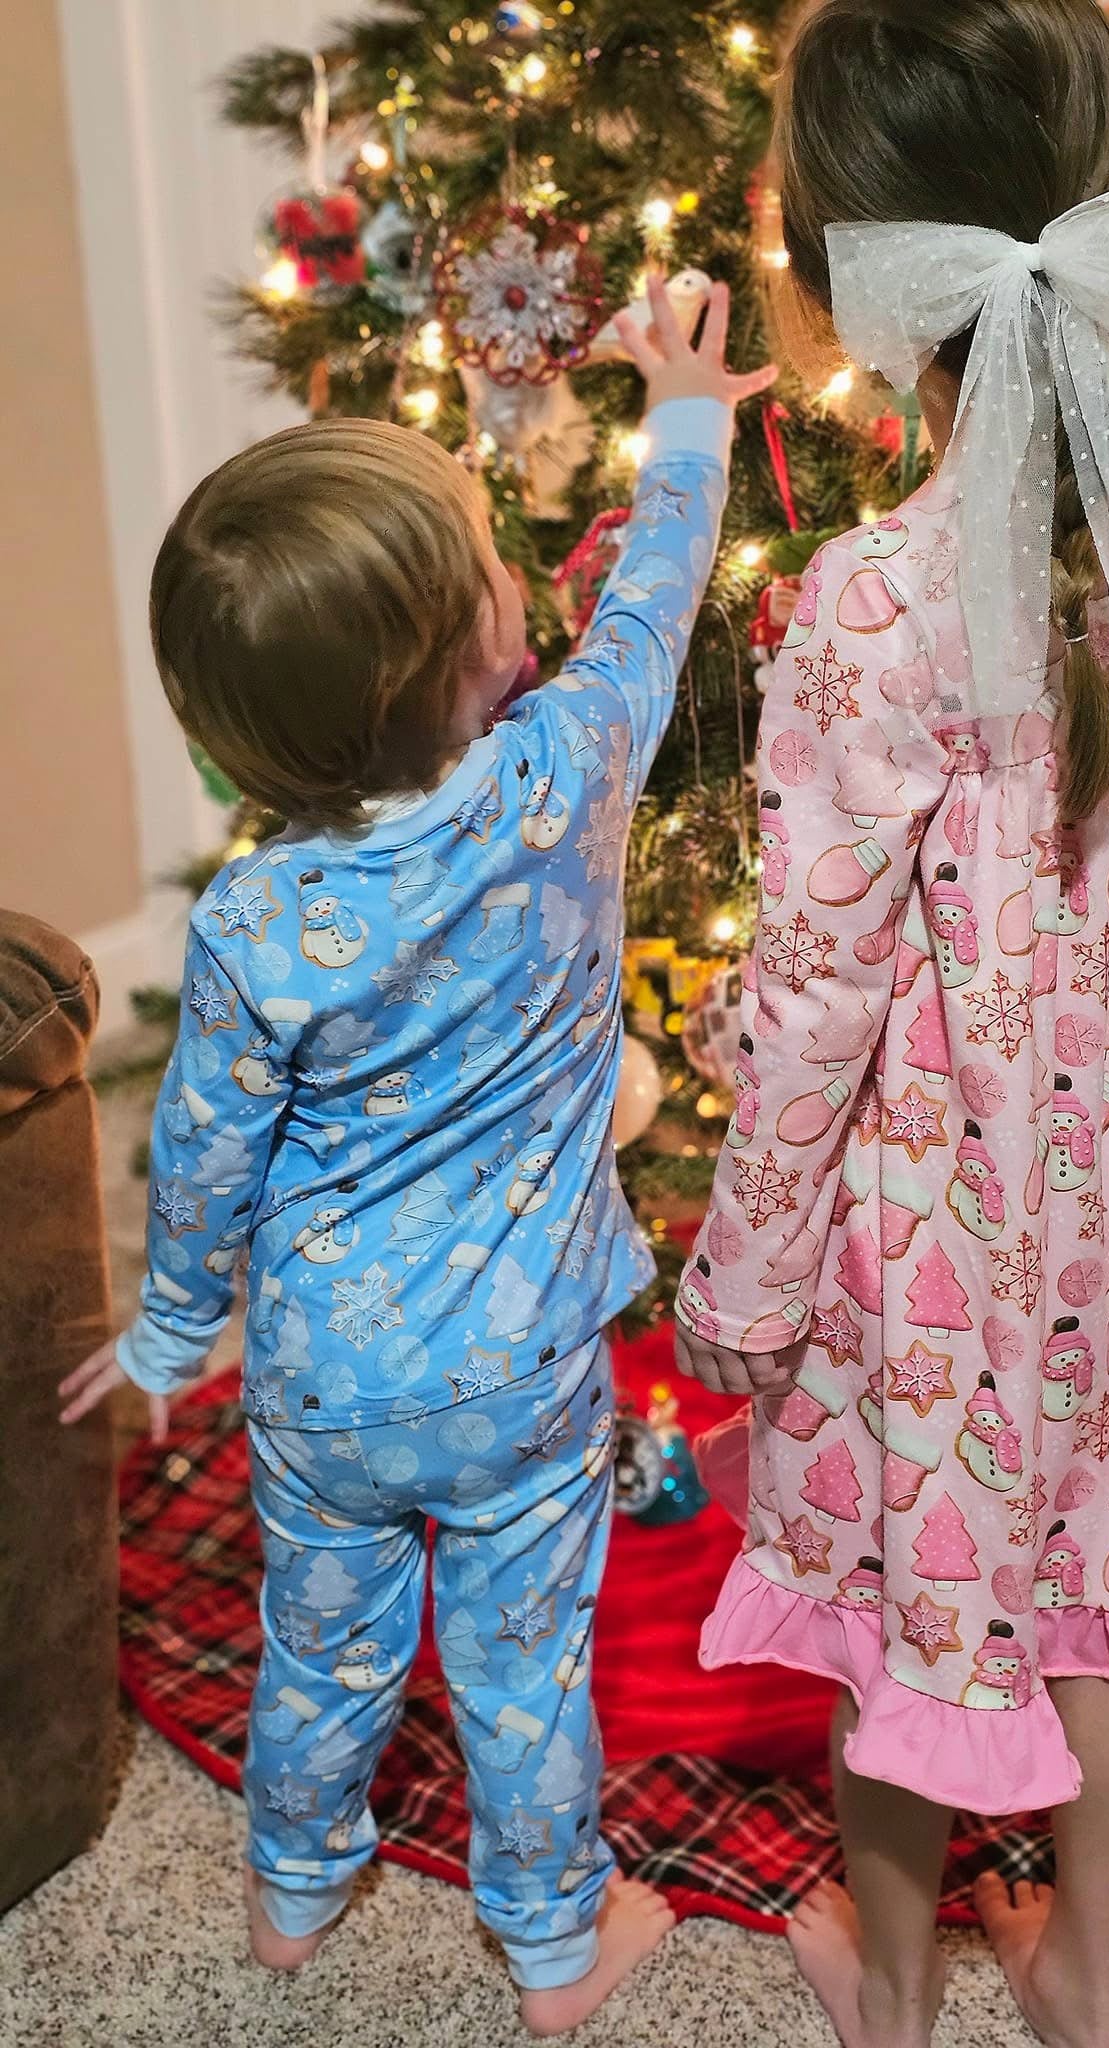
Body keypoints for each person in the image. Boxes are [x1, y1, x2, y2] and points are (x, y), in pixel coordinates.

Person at [61, 276, 774, 2035]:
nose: (513, 569)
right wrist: (688, 413)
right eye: (488, 555)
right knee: (521, 1660)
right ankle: (553, 1940)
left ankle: (294, 1887)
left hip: (316, 1373)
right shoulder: (566, 772)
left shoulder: (255, 917)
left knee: (324, 1638)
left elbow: (208, 1157)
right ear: (487, 652)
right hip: (521, 1363)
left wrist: (166, 1334)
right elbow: (659, 605)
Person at [672, 5, 1109, 2045]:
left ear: (852, 266)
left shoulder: (868, 598)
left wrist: (742, 1277)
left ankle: (898, 1982)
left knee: (918, 1606)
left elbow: (815, 990)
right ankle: (1088, 1976)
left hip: (947, 1225)